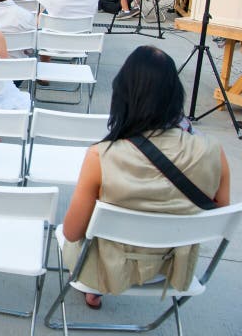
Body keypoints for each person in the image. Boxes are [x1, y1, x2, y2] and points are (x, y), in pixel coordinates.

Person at [60, 46, 230, 309]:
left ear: (122, 95)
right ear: (175, 95)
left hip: (108, 266)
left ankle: (94, 286)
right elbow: (217, 214)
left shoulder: (102, 156)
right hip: (171, 269)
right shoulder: (214, 153)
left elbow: (72, 232)